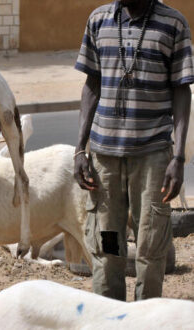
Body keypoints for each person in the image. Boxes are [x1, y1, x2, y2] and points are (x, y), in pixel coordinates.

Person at [74, 0, 192, 301]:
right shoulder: (98, 20)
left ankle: (145, 319)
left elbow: (181, 90)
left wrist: (178, 158)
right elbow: (92, 84)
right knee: (107, 247)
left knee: (150, 248)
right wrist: (79, 150)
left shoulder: (173, 23)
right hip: (104, 161)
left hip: (153, 158)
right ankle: (110, 318)